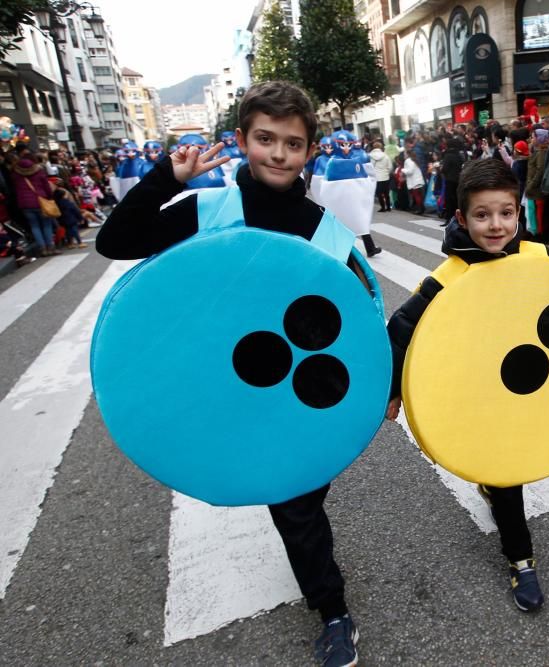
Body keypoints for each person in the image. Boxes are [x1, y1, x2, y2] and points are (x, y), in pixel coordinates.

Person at [95, 81, 371, 667]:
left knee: (296, 506)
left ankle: (334, 611)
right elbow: (114, 241)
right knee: (282, 499)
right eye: (265, 139)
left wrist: (372, 393)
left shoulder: (328, 233)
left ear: (310, 151)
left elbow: (360, 325)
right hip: (219, 385)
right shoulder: (206, 210)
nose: (278, 154)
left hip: (302, 395)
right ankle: (328, 599)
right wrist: (166, 180)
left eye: (292, 143)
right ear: (242, 140)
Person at [385, 160, 549, 613]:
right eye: (482, 215)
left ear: (519, 212)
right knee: (507, 474)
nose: (496, 225)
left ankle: (490, 482)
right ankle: (521, 558)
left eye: (506, 212)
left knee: (512, 460)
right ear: (462, 218)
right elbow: (400, 331)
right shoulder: (447, 280)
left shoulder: (541, 260)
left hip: (528, 388)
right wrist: (391, 390)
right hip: (478, 396)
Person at [10, 148, 59, 256]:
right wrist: (50, 197)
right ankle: (51, 246)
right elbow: (46, 186)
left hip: (25, 204)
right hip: (40, 200)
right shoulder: (38, 170)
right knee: (46, 224)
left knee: (34, 226)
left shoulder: (15, 172)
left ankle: (42, 248)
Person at [369, 141, 393, 212]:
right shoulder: (385, 156)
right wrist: (387, 172)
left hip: (377, 177)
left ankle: (383, 207)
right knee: (386, 193)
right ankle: (388, 207)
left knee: (379, 193)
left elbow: (370, 167)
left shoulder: (370, 156)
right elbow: (390, 167)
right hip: (385, 176)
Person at [402, 149, 426, 213]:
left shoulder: (408, 161)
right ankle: (421, 208)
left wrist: (403, 170)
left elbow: (410, 171)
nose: (404, 155)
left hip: (414, 181)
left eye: (404, 154)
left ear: (407, 154)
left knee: (416, 196)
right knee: (418, 195)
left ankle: (420, 209)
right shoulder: (414, 160)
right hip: (418, 180)